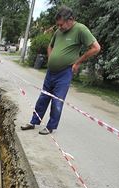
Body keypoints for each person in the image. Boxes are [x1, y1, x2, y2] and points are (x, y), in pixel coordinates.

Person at [21, 6, 101, 135]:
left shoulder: (80, 29)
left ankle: (50, 126)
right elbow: (50, 46)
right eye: (57, 25)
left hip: (64, 72)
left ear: (70, 20)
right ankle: (33, 121)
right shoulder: (58, 32)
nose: (59, 27)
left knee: (57, 101)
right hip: (50, 72)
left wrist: (77, 62)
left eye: (61, 24)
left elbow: (96, 48)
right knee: (43, 98)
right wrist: (51, 57)